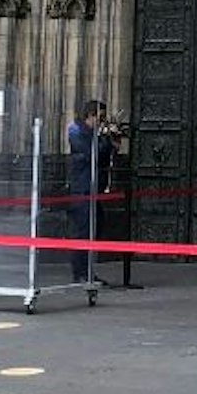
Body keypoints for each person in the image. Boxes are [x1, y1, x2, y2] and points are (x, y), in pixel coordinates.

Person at [65, 99, 115, 286]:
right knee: (83, 231)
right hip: (81, 188)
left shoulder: (92, 133)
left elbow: (102, 159)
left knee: (95, 228)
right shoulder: (76, 131)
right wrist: (105, 139)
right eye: (100, 118)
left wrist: (110, 141)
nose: (101, 122)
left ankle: (87, 270)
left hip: (93, 188)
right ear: (90, 115)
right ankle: (80, 273)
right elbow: (91, 153)